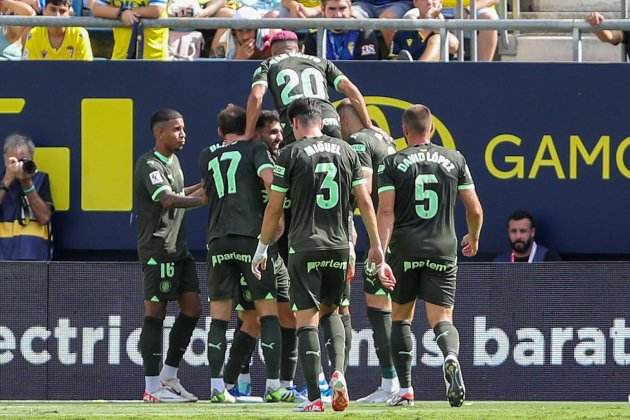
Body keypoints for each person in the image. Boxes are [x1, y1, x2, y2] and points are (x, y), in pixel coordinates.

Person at [251, 97, 392, 412]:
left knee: (306, 321)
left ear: (297, 124)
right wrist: (376, 245)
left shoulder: (290, 154)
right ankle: (339, 372)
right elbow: (366, 202)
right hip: (340, 246)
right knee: (335, 311)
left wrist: (262, 247)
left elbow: (275, 207)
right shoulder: (347, 150)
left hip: (304, 245)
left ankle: (316, 396)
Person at [377, 104, 483, 407]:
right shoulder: (454, 159)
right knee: (442, 319)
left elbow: (386, 211)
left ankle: (407, 390)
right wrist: (473, 237)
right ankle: (449, 356)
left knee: (400, 319)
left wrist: (380, 254)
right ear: (432, 129)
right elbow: (474, 209)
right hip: (443, 246)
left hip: (405, 247)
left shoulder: (392, 162)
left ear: (403, 130)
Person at [198, 104, 289, 404]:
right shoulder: (255, 149)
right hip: (251, 239)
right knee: (268, 313)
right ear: (248, 127)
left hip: (218, 240)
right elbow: (269, 181)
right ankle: (275, 386)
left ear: (220, 131)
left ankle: (216, 388)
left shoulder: (207, 155)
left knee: (219, 318)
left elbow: (208, 193)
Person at [133, 108, 205, 403]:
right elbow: (166, 198)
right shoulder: (148, 163)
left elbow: (177, 190)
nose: (182, 134)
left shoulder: (173, 161)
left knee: (193, 309)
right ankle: (152, 388)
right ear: (159, 132)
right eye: (176, 129)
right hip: (158, 249)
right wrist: (202, 200)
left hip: (179, 248)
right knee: (155, 314)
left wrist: (203, 185)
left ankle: (169, 377)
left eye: (183, 128)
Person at [336, 100, 401, 403]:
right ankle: (399, 382)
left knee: (379, 308)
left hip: (385, 234)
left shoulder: (358, 142)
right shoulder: (385, 139)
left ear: (343, 120)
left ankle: (391, 382)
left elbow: (364, 186)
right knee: (397, 309)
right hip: (403, 228)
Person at [245, 30, 379, 147]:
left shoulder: (268, 64)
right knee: (337, 161)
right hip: (327, 118)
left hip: (296, 123)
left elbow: (257, 96)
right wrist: (368, 124)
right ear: (300, 48)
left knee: (298, 169)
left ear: (273, 52)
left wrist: (248, 134)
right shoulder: (320, 61)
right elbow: (350, 89)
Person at [0, 134, 53, 260]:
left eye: (24, 160)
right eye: (14, 161)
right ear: (5, 160)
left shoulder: (41, 179)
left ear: (32, 158)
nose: (19, 166)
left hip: (34, 259)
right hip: (3, 259)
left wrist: (27, 184)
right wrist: (7, 180)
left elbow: (44, 217)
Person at [303, 0, 383, 60]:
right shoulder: (314, 35)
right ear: (323, 10)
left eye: (342, 8)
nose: (338, 15)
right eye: (332, 9)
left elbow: (369, 68)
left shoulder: (365, 33)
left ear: (350, 9)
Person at [92, 0, 169, 60]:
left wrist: (128, 13)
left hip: (155, 58)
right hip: (121, 57)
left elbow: (156, 9)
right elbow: (96, 8)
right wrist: (121, 13)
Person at [23, 0, 93, 60]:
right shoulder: (34, 34)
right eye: (53, 9)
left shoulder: (79, 35)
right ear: (44, 10)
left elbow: (85, 72)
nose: (57, 15)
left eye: (62, 11)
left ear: (70, 13)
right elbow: (29, 72)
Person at [391, 0, 458, 61]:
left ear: (440, 2)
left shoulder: (449, 23)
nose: (429, 2)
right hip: (406, 71)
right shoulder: (403, 30)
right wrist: (429, 23)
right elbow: (394, 59)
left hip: (439, 72)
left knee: (437, 39)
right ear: (415, 2)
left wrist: (435, 26)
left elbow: (453, 47)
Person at [493, 210, 561, 263]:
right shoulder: (499, 262)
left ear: (532, 232)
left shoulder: (549, 259)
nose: (518, 236)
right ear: (508, 232)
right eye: (513, 231)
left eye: (523, 231)